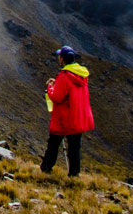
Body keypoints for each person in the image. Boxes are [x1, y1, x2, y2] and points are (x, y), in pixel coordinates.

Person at [39, 45, 94, 176]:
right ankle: (74, 174)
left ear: (62, 59)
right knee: (74, 148)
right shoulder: (81, 76)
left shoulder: (64, 76)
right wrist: (57, 82)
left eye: (60, 56)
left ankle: (46, 168)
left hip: (63, 118)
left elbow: (57, 97)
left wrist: (51, 88)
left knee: (53, 144)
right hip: (77, 118)